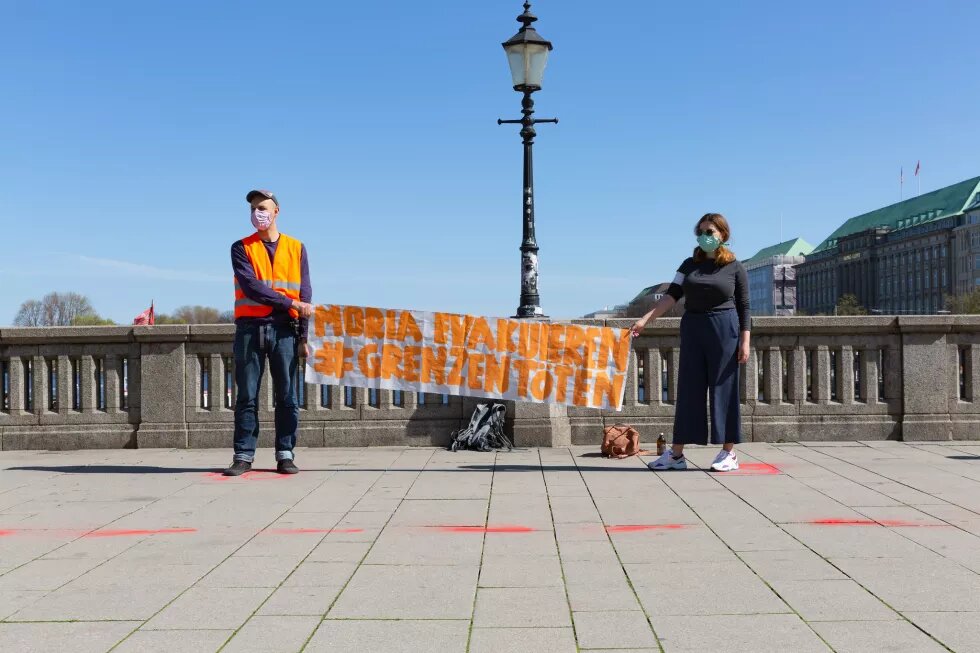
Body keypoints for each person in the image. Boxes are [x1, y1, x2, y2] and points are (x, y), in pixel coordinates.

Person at [631, 213, 750, 472]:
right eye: (701, 232)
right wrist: (644, 320)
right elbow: (672, 295)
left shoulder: (735, 267)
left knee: (724, 390)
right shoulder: (688, 265)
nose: (705, 237)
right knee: (688, 390)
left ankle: (728, 453)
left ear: (723, 235)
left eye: (710, 232)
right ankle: (676, 455)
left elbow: (744, 306)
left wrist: (745, 341)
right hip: (694, 328)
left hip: (724, 329)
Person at [224, 189, 314, 476]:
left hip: (286, 330)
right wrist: (290, 303)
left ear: (277, 211)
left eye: (262, 207)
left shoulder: (296, 248)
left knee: (287, 396)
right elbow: (252, 287)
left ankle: (285, 454)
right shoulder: (241, 247)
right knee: (246, 396)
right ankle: (243, 455)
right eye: (252, 208)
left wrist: (304, 337)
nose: (256, 213)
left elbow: (306, 294)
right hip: (250, 328)